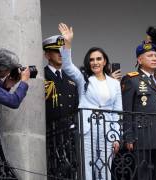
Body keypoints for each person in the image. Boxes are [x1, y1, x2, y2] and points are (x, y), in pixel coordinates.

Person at [58, 22, 122, 180]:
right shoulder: (83, 79)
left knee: (105, 170)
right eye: (92, 59)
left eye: (99, 59)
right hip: (87, 129)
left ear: (105, 61)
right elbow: (66, 66)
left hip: (108, 131)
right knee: (87, 170)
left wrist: (117, 137)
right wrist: (67, 42)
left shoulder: (114, 83)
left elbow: (118, 111)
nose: (95, 62)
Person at [121, 41, 156, 180]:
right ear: (140, 60)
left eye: (155, 55)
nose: (154, 58)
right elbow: (127, 111)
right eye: (150, 55)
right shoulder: (131, 79)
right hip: (142, 136)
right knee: (143, 175)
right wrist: (129, 137)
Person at [43, 35, 79, 179]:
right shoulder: (42, 76)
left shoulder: (71, 79)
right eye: (56, 51)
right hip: (50, 133)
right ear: (47, 55)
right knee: (52, 172)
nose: (60, 54)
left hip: (69, 135)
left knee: (70, 172)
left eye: (62, 51)